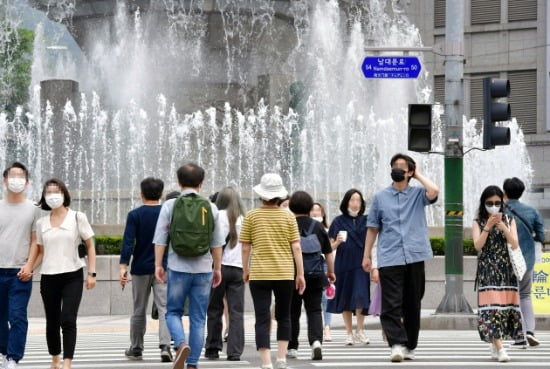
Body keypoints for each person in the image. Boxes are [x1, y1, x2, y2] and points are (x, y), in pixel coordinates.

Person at [363, 153, 439, 362]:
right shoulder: (380, 197)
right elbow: (372, 228)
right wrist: (367, 255)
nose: (397, 169)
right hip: (389, 256)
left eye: (402, 167)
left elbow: (434, 191)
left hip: (415, 255)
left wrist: (419, 175)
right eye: (394, 166)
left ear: (410, 172)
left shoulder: (417, 194)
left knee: (413, 303)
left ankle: (409, 345)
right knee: (390, 303)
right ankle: (396, 343)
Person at [153, 163, 224, 369]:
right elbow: (217, 243)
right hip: (203, 269)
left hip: (177, 268)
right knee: (198, 318)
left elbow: (160, 239)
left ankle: (180, 343)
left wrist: (159, 264)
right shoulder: (210, 207)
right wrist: (217, 268)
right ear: (202, 183)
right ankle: (192, 363)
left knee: (173, 312)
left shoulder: (170, 205)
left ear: (178, 181)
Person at [240, 173, 306, 369]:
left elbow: (245, 247)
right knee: (284, 315)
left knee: (262, 317)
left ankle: (266, 362)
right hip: (285, 273)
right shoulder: (288, 216)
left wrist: (245, 269)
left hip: (259, 273)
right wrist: (300, 274)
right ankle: (282, 359)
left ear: (261, 194)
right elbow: (296, 247)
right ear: (280, 196)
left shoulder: (251, 216)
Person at [35, 178, 97, 369]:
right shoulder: (41, 223)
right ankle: (55, 358)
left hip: (73, 275)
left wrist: (92, 273)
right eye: (49, 192)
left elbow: (90, 245)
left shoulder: (77, 217)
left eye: (56, 191)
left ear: (64, 194)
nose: (53, 195)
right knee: (52, 321)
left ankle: (68, 362)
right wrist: (28, 270)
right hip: (48, 277)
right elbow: (41, 252)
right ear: (44, 197)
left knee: (68, 319)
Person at [119, 177, 172, 362]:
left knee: (138, 309)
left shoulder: (135, 215)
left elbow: (128, 242)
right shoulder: (167, 213)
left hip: (140, 268)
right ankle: (165, 346)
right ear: (161, 194)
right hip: (162, 268)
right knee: (165, 308)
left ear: (141, 194)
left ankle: (136, 347)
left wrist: (123, 265)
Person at [472, 185, 522, 362]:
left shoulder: (509, 220)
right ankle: (501, 349)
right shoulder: (477, 221)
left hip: (506, 270)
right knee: (491, 309)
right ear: (483, 203)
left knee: (504, 310)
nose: (493, 206)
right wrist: (488, 227)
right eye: (489, 203)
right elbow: (477, 246)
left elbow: (515, 244)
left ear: (502, 203)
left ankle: (496, 343)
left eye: (497, 203)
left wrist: (503, 227)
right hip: (487, 271)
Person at [0, 162, 41, 369]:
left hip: (20, 272)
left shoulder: (34, 209)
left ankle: (13, 358)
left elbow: (36, 240)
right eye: (12, 176)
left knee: (17, 316)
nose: (16, 180)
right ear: (4, 180)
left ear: (27, 182)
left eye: (21, 176)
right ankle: (5, 351)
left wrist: (30, 265)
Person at [287, 191, 335, 361]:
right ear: (309, 206)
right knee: (314, 309)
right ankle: (315, 342)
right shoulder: (318, 227)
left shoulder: (288, 223)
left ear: (291, 206)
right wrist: (330, 272)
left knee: (292, 311)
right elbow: (328, 252)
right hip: (315, 274)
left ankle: (292, 347)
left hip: (292, 274)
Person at [205, 186, 246, 361]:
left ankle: (213, 348)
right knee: (236, 311)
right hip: (237, 269)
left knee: (214, 308)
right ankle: (235, 351)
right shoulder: (244, 219)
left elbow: (211, 243)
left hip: (218, 268)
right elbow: (247, 247)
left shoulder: (215, 216)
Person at [503, 177, 545, 348]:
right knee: (525, 295)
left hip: (506, 261)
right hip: (526, 260)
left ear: (504, 192)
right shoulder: (532, 211)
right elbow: (541, 237)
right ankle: (530, 331)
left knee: (509, 298)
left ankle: (517, 333)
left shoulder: (500, 211)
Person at [327, 189, 370, 346]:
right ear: (346, 202)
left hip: (361, 263)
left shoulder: (366, 220)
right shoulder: (338, 221)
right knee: (345, 297)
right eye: (352, 200)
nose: (355, 203)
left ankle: (360, 330)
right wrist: (337, 243)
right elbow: (329, 247)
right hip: (343, 263)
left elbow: (372, 241)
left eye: (358, 200)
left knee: (360, 295)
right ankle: (349, 333)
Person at [310, 202, 333, 341]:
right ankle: (317, 329)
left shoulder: (328, 229)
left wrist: (332, 270)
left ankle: (327, 328)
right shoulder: (307, 227)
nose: (315, 212)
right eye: (312, 210)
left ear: (322, 213)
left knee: (326, 298)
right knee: (313, 299)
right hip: (312, 265)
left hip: (324, 264)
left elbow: (330, 250)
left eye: (318, 210)